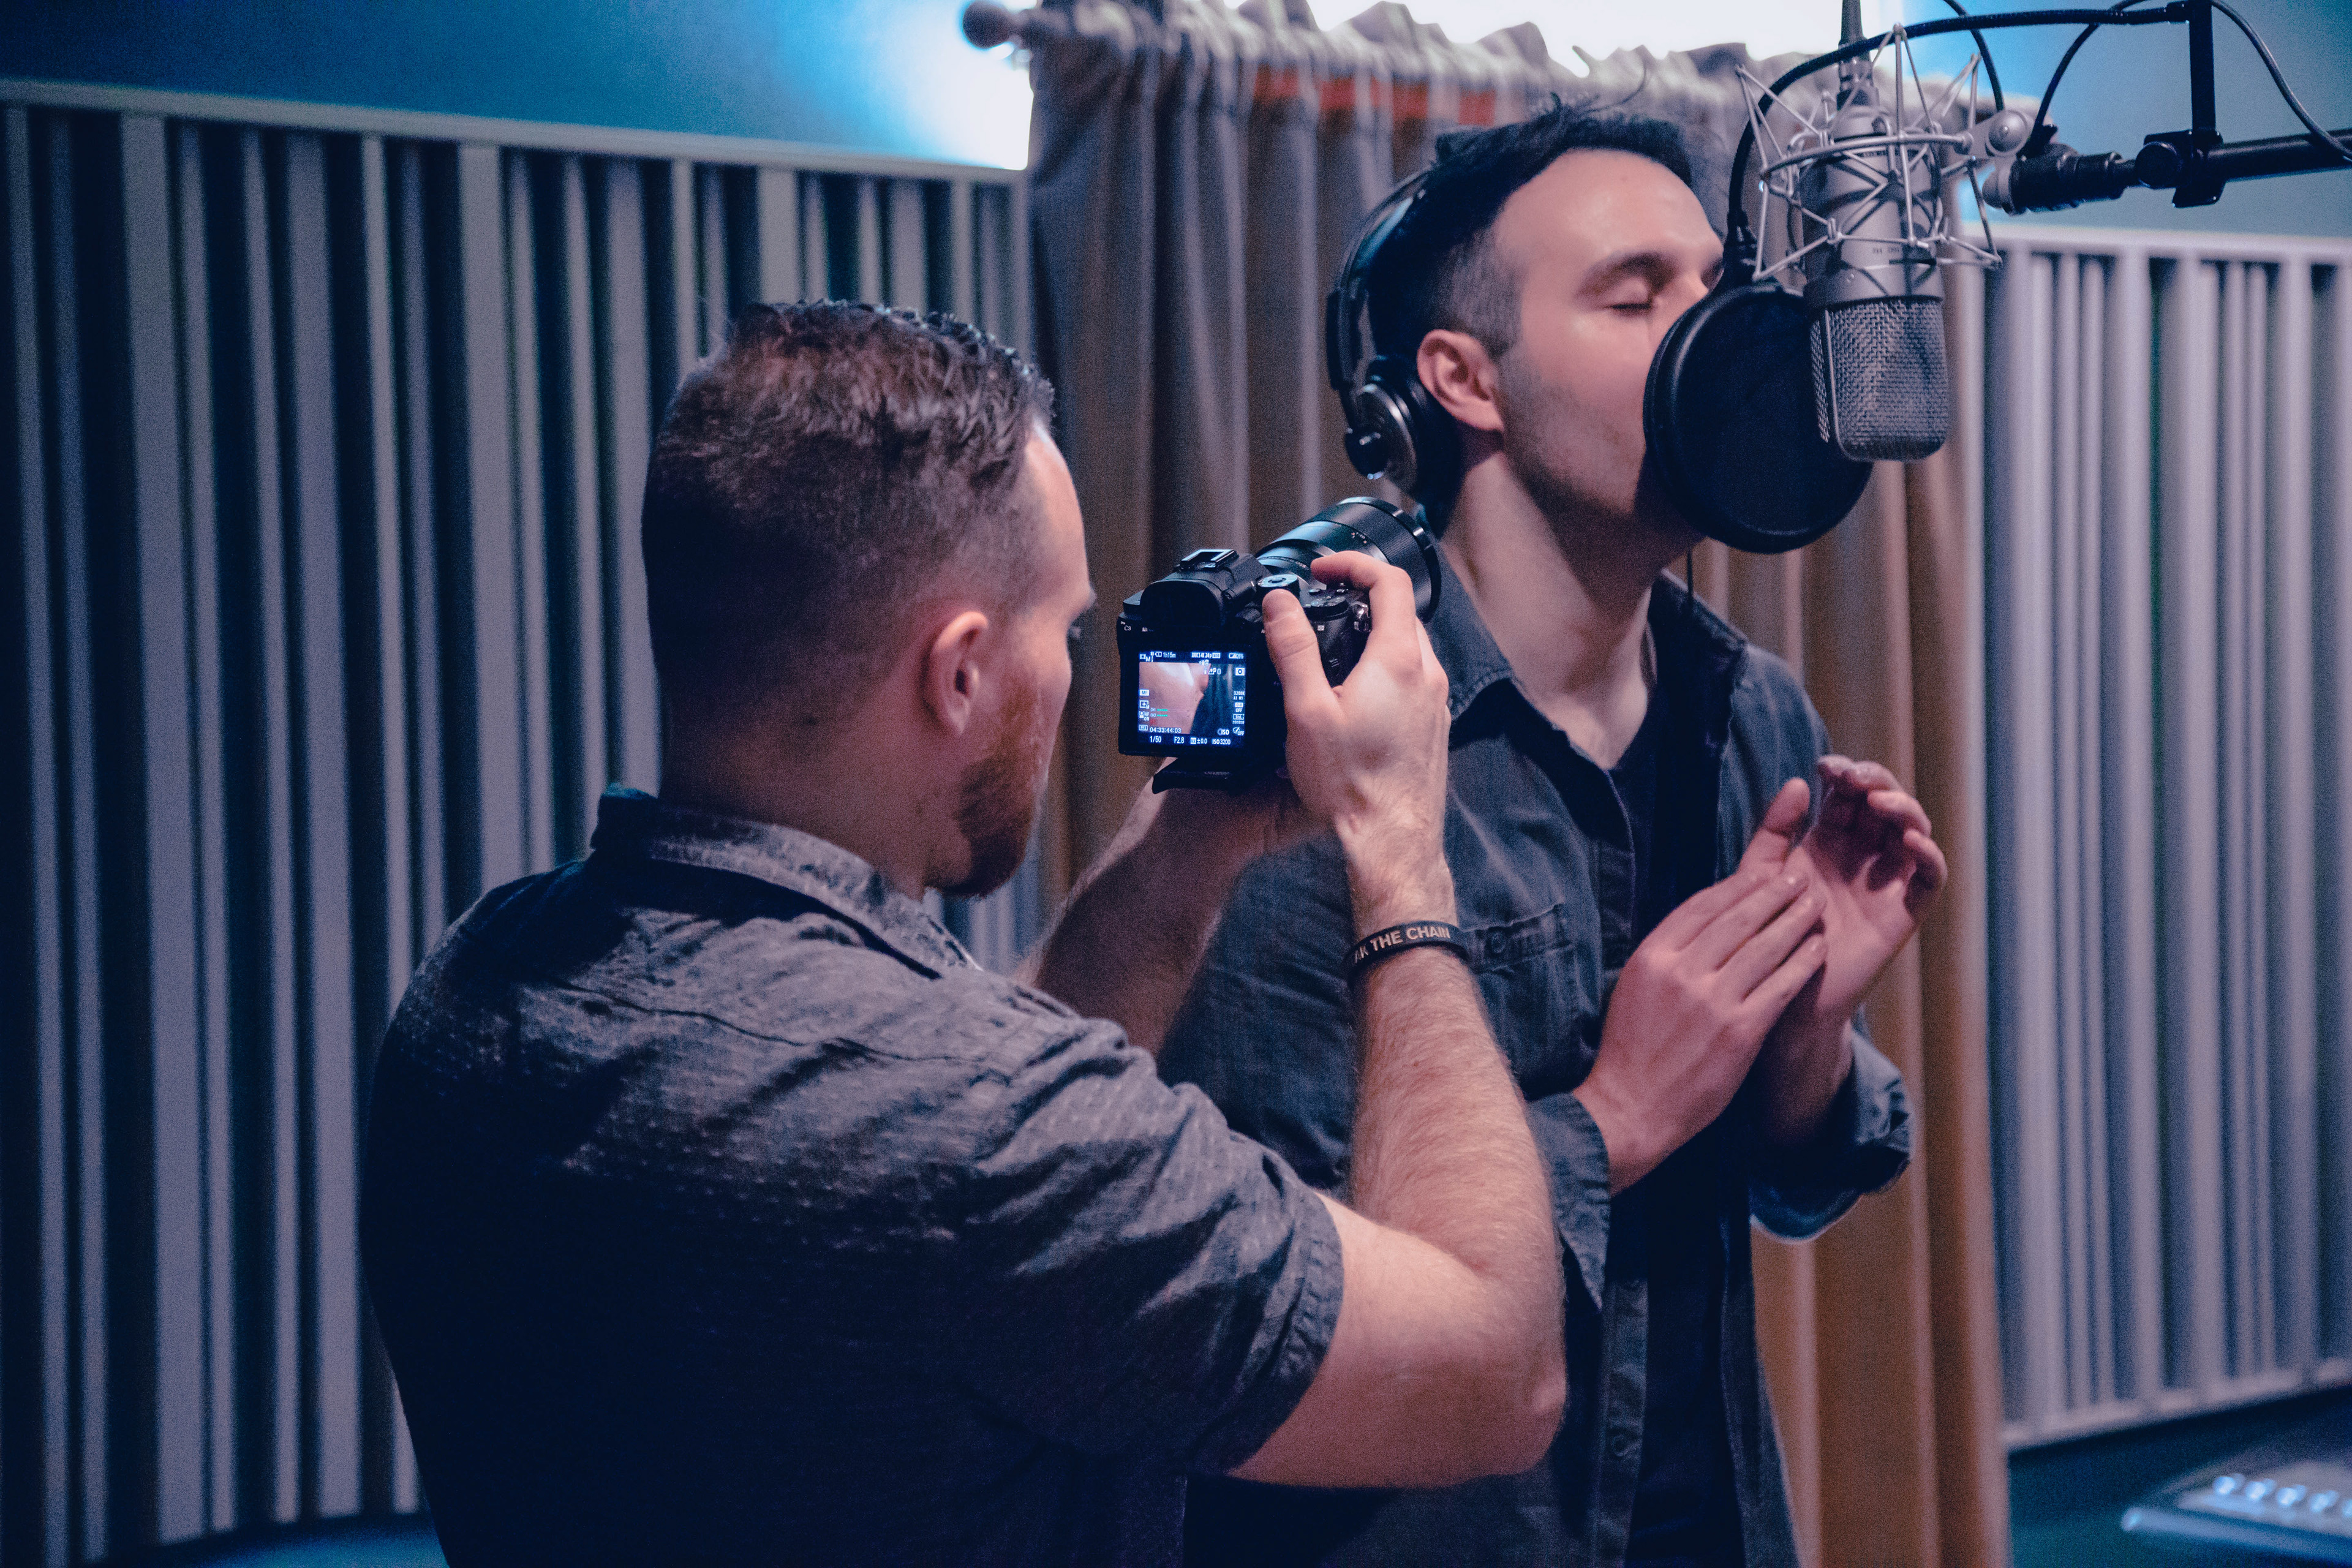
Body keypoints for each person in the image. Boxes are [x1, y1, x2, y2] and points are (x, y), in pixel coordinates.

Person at [355, 302, 1727, 1566]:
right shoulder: (989, 1132)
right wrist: (1398, 844)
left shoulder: (472, 991)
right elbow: (1493, 1372)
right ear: (960, 672)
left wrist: (1188, 847)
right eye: (1065, 631)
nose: (1075, 673)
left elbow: (947, 1158)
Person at [1157, 109, 1949, 1567]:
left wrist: (1803, 1048)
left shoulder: (1750, 710)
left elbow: (1790, 1181)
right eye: (1636, 297)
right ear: (1464, 381)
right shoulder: (1315, 749)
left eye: (1714, 287)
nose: (1715, 336)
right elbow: (1267, 1286)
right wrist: (1612, 1118)